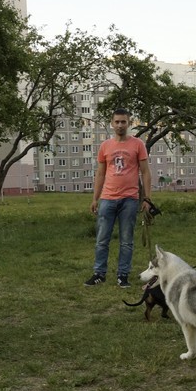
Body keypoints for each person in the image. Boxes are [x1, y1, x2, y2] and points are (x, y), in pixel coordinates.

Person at [85, 108, 153, 288]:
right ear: (112, 123)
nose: (120, 125)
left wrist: (147, 198)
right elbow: (100, 174)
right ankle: (99, 273)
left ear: (129, 123)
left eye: (124, 122)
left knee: (126, 240)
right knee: (102, 239)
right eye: (117, 122)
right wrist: (95, 198)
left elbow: (145, 172)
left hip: (129, 199)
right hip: (107, 198)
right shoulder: (105, 146)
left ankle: (123, 275)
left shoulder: (138, 144)